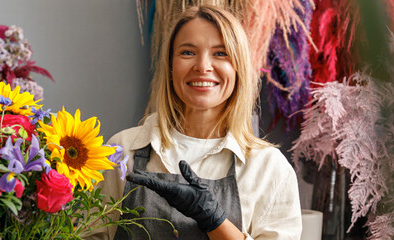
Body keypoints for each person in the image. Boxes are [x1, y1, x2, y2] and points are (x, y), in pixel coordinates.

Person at [89, 5, 301, 240]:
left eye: (221, 53)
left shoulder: (268, 168)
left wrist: (214, 220)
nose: (202, 66)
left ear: (238, 67)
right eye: (188, 52)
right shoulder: (122, 149)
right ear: (170, 66)